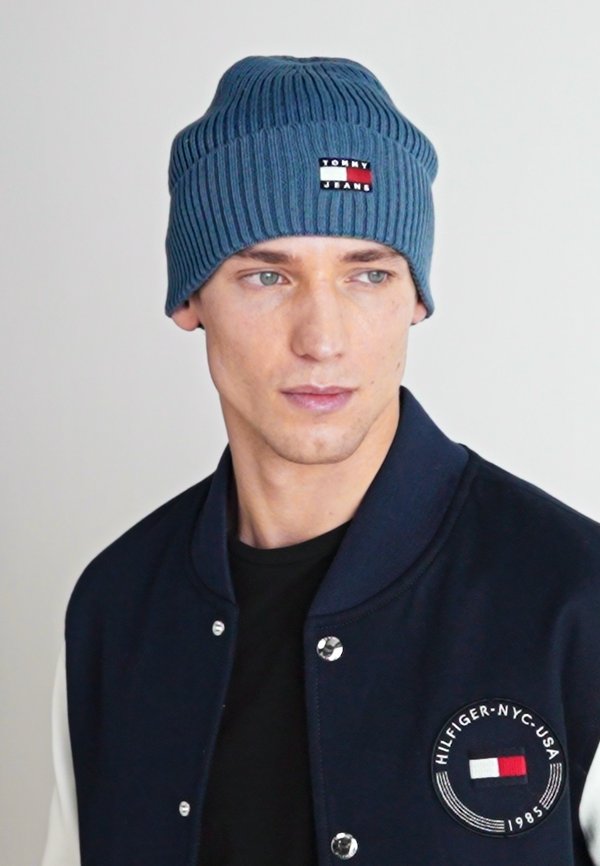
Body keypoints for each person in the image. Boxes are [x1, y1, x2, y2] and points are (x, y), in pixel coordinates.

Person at [41, 55, 600, 866]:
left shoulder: (573, 598)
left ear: (415, 297)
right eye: (267, 275)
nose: (322, 339)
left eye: (367, 274)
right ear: (190, 299)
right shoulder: (115, 610)